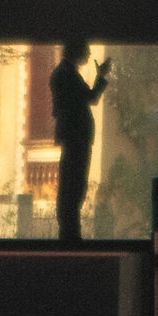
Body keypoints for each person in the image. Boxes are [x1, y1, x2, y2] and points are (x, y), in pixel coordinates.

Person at [49, 44, 111, 241]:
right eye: (86, 50)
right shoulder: (66, 74)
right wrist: (101, 76)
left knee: (73, 188)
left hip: (75, 137)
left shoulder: (65, 73)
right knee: (74, 189)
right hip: (76, 137)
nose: (89, 54)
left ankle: (70, 233)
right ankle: (70, 236)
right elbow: (91, 98)